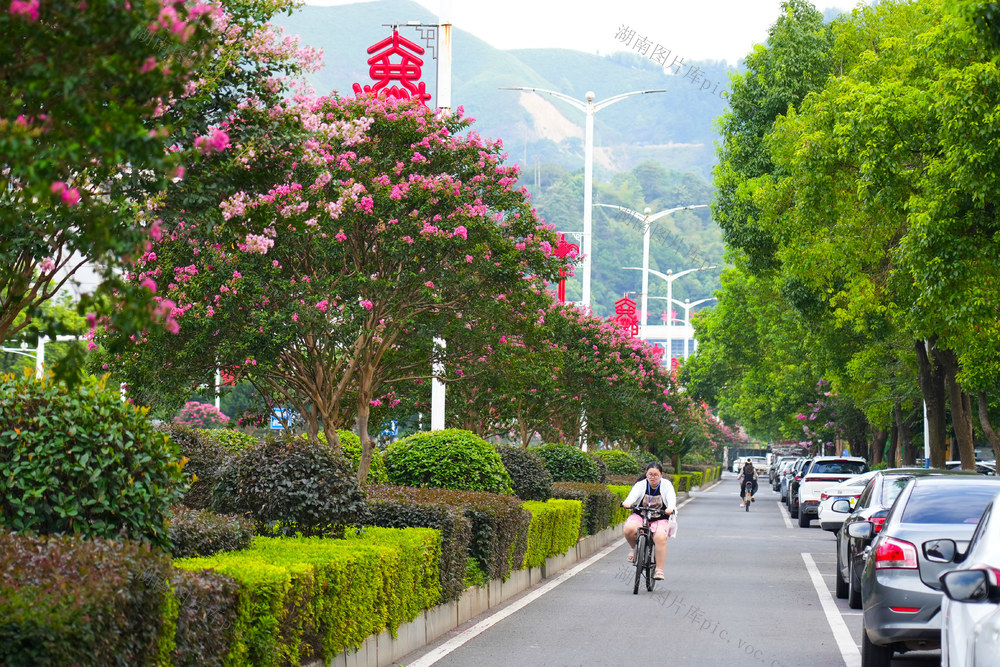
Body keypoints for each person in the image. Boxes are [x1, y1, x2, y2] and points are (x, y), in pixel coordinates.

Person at [622, 462, 677, 580]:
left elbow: (671, 498)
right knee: (629, 529)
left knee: (660, 538)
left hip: (660, 517)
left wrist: (670, 508)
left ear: (661, 475)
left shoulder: (666, 485)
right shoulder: (641, 484)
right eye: (650, 474)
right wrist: (627, 503)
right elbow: (632, 496)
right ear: (646, 474)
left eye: (656, 475)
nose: (653, 477)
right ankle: (634, 549)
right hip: (641, 515)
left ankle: (659, 570)